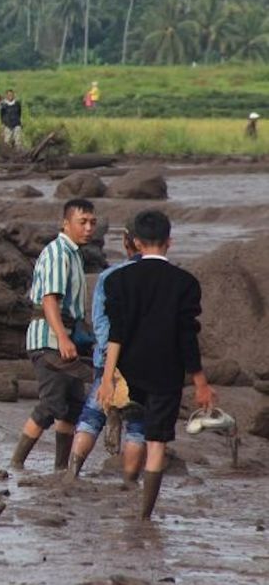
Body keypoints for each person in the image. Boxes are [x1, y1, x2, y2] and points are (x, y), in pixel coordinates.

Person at [98, 210, 216, 520]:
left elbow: (116, 333)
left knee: (135, 429)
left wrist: (107, 377)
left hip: (128, 371)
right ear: (169, 242)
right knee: (157, 443)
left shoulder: (118, 280)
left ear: (135, 242)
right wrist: (201, 382)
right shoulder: (185, 283)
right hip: (166, 374)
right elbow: (187, 337)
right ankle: (144, 515)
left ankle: (126, 476)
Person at [9, 199, 97, 471]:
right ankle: (16, 463)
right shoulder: (59, 253)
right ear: (66, 223)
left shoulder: (73, 254)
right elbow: (50, 300)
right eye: (82, 222)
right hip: (49, 340)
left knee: (72, 405)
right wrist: (62, 337)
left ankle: (61, 468)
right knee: (51, 404)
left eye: (92, 222)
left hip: (62, 337)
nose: (89, 228)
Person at [65, 225, 144, 484]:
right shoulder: (163, 277)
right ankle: (129, 483)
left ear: (126, 242)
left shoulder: (110, 276)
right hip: (143, 363)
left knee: (91, 416)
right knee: (137, 425)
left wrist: (107, 353)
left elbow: (99, 322)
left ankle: (72, 474)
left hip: (107, 359)